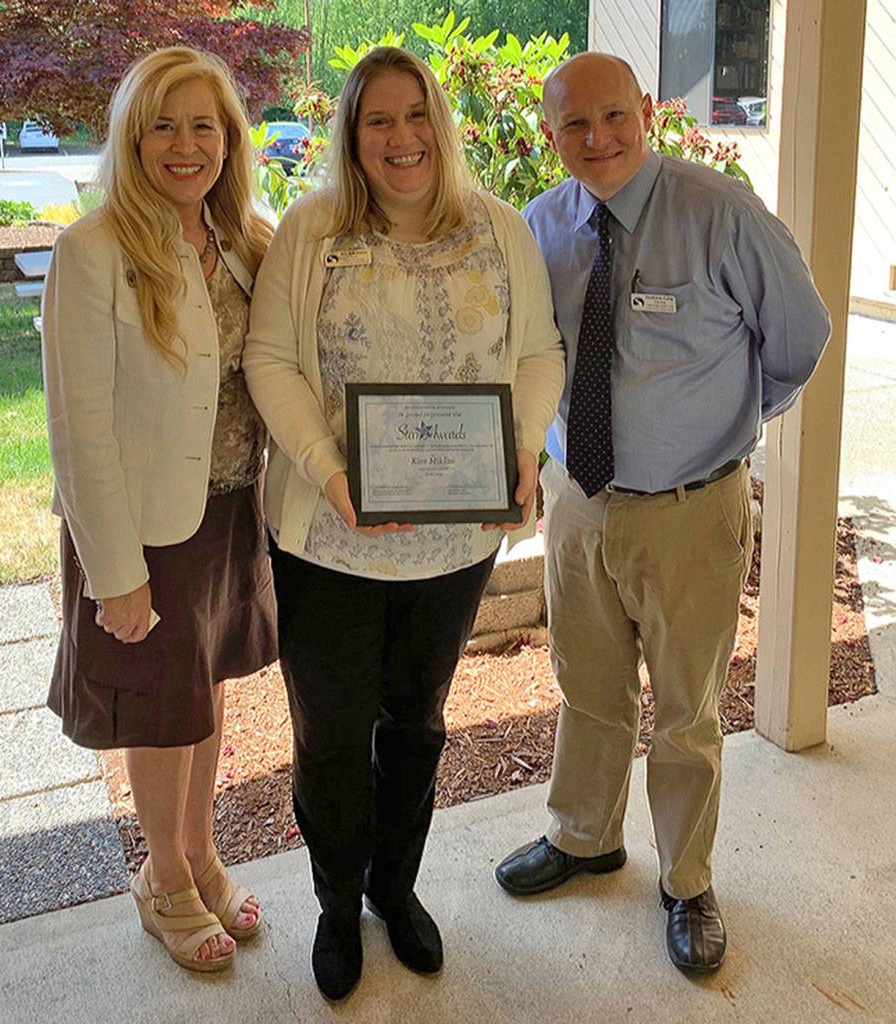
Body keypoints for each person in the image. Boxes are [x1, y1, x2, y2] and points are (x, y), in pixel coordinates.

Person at [494, 52, 831, 973]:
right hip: (579, 505)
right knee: (588, 687)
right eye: (574, 124)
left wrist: (720, 430)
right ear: (549, 135)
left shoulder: (721, 213)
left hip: (691, 511)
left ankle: (686, 881)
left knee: (686, 709)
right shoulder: (540, 227)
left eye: (613, 115)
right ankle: (584, 836)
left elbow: (799, 340)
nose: (597, 138)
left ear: (645, 110)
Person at [244, 46, 564, 1001]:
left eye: (415, 114)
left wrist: (524, 445)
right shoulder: (313, 230)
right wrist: (327, 469)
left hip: (453, 544)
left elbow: (538, 352)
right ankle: (338, 903)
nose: (401, 137)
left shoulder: (499, 228)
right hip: (329, 540)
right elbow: (269, 359)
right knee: (333, 734)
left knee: (417, 722)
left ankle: (395, 886)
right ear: (352, 136)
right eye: (378, 120)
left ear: (441, 124)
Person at [41, 46, 278, 973]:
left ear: (230, 140)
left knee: (205, 692)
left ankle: (201, 853)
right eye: (163, 127)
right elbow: (78, 429)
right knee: (158, 709)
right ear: (132, 140)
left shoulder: (245, 240)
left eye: (204, 126)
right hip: (144, 527)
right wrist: (116, 573)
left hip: (229, 508)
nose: (186, 146)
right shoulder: (93, 251)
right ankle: (164, 878)